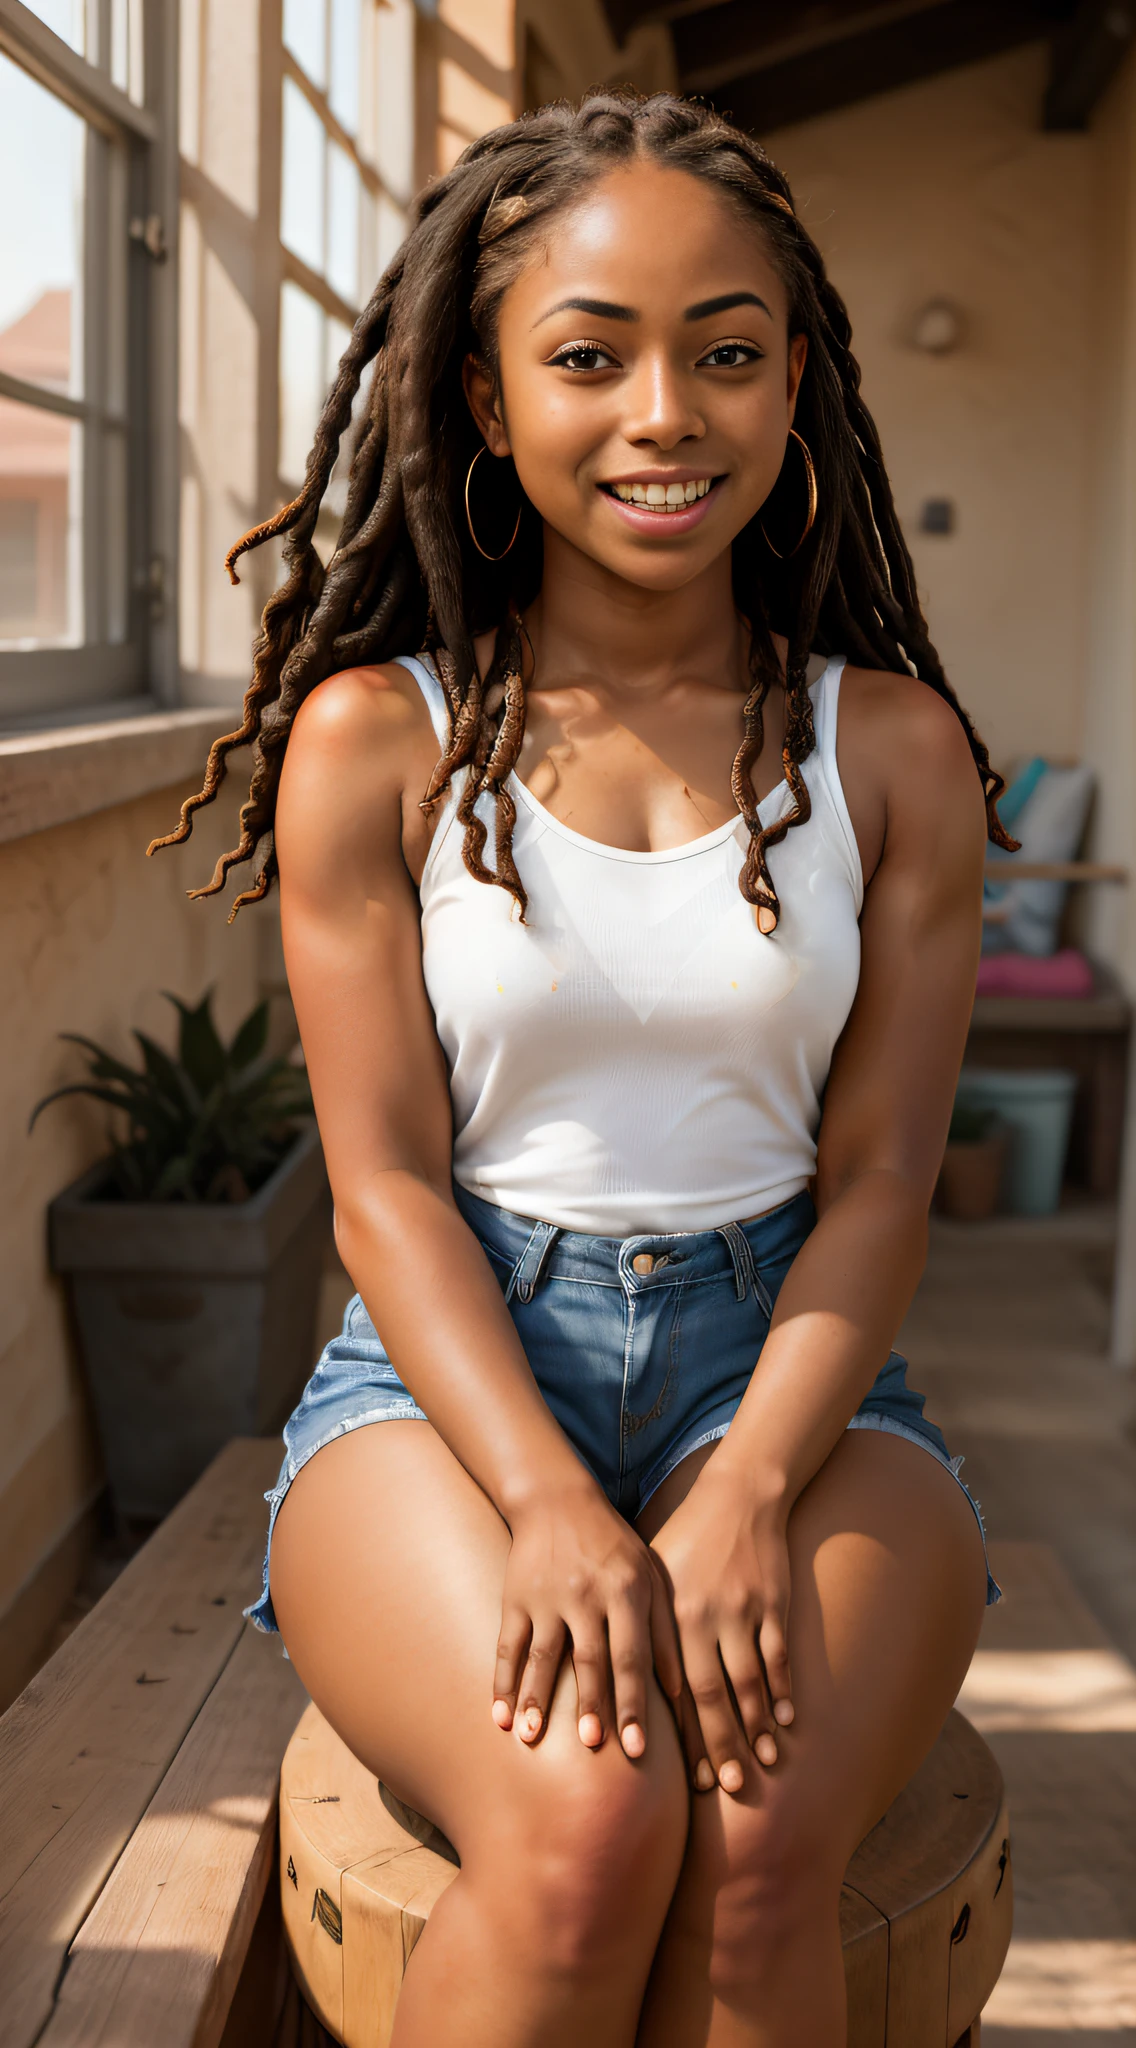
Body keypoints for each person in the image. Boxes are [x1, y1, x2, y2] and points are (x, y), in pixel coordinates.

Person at [152, 90, 1009, 2048]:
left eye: (724, 352)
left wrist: (746, 1493)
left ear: (795, 382)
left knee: (758, 1835)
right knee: (585, 1822)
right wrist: (545, 1495)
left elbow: (879, 1181)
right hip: (448, 1390)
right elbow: (380, 1186)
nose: (664, 413)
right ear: (478, 393)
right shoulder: (379, 738)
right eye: (588, 353)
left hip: (785, 1369)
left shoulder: (890, 757)